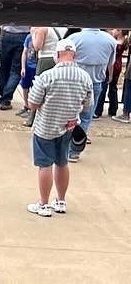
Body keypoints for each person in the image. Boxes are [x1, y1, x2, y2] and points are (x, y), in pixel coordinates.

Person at [26, 36, 92, 217]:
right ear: (74, 55)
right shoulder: (85, 77)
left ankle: (44, 204)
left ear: (57, 54)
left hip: (46, 126)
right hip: (69, 125)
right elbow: (87, 106)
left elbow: (32, 103)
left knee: (44, 164)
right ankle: (61, 200)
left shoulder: (47, 76)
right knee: (62, 162)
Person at [67, 26, 116, 138]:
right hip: (96, 80)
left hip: (75, 81)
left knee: (71, 112)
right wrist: (111, 75)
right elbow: (110, 62)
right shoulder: (110, 40)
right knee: (87, 115)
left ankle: (70, 138)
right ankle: (78, 141)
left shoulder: (74, 38)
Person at [0, 0, 35, 111]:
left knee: (4, 67)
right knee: (16, 69)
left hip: (6, 35)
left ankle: (3, 94)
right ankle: (5, 98)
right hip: (22, 36)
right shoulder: (29, 0)